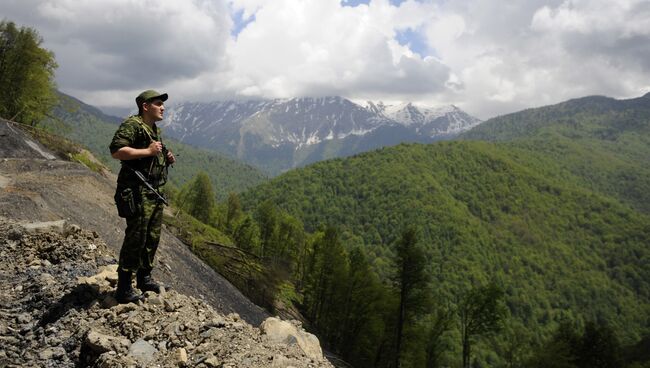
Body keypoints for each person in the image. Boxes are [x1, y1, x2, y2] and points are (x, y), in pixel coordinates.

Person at [109, 89, 175, 303]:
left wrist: (165, 156)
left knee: (151, 237)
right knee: (136, 238)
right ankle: (124, 287)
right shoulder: (133, 125)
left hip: (153, 192)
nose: (162, 107)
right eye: (158, 104)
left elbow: (154, 152)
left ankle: (144, 278)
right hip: (136, 192)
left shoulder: (153, 129)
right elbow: (117, 151)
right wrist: (148, 152)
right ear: (145, 107)